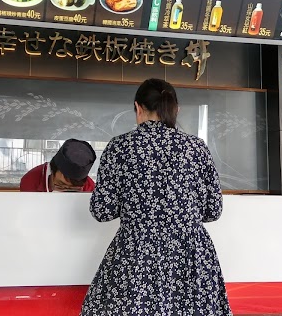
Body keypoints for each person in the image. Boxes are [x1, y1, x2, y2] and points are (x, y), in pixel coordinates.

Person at [81, 78, 231, 316]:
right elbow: (213, 211)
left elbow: (102, 211)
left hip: (135, 255)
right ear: (175, 109)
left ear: (138, 108)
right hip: (190, 257)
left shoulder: (119, 148)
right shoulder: (196, 148)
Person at [19, 139, 96, 192]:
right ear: (52, 171)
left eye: (74, 189)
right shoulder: (31, 181)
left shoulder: (89, 187)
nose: (65, 191)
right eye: (60, 185)